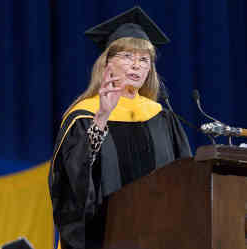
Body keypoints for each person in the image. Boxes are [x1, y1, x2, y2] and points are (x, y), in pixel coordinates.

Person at [48, 6, 192, 249]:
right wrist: (102, 117)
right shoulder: (84, 115)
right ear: (107, 64)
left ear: (150, 70)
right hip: (105, 239)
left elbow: (185, 181)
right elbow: (72, 183)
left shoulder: (162, 118)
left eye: (144, 59)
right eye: (127, 56)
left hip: (159, 237)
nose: (136, 65)